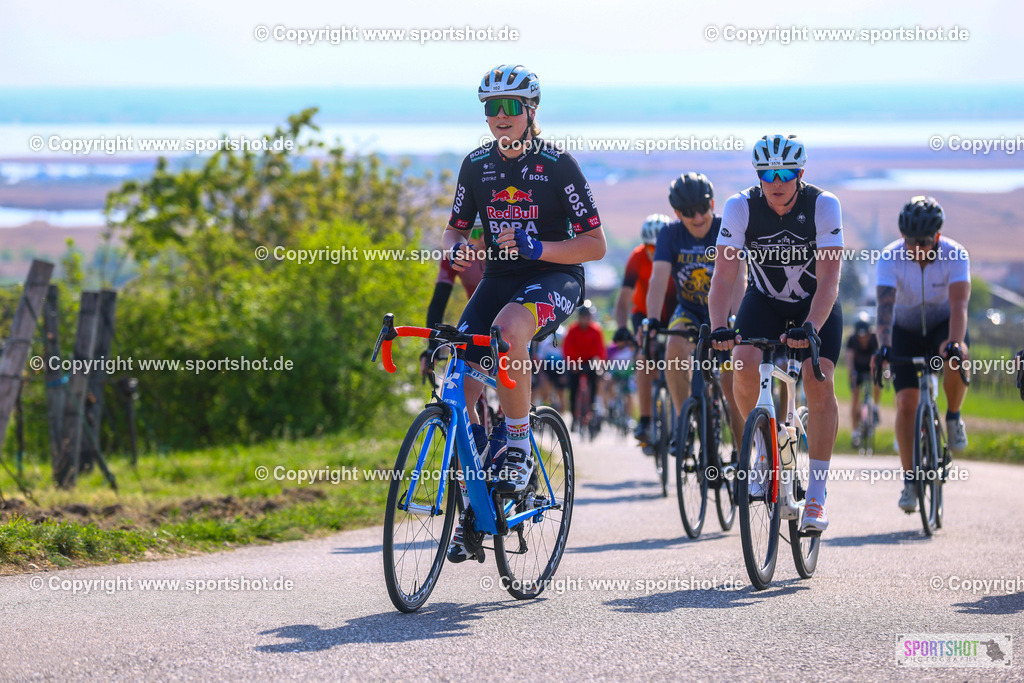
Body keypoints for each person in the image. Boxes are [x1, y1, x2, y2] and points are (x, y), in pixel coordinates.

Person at [443, 64, 607, 562]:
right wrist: (456, 250)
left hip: (554, 276)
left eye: (511, 107)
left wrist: (540, 245)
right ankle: (477, 502)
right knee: (458, 375)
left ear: (531, 112)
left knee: (509, 329)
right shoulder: (475, 165)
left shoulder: (558, 165)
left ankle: (517, 445)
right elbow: (455, 228)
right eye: (492, 108)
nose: (500, 116)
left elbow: (595, 246)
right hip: (498, 278)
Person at [707, 134, 844, 535]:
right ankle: (765, 452)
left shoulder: (823, 204)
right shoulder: (740, 207)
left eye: (786, 173)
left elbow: (830, 280)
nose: (777, 181)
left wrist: (812, 328)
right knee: (743, 362)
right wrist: (719, 326)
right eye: (768, 174)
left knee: (818, 379)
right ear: (759, 176)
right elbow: (723, 278)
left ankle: (816, 494)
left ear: (800, 174)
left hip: (813, 304)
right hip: (764, 300)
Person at [870, 196, 970, 513]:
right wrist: (884, 345)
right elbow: (884, 310)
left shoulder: (956, 254)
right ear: (903, 237)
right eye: (911, 242)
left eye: (924, 242)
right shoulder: (890, 257)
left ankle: (953, 416)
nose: (917, 248)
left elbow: (959, 306)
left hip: (943, 323)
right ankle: (911, 480)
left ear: (937, 237)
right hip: (905, 330)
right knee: (906, 402)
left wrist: (954, 342)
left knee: (955, 356)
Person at [646, 172, 746, 440]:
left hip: (723, 315)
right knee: (674, 348)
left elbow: (739, 279)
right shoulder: (669, 234)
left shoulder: (727, 229)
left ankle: (741, 456)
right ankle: (684, 420)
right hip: (689, 310)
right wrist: (653, 320)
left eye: (702, 209)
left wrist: (738, 319)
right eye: (689, 212)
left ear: (712, 204)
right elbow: (657, 279)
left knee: (730, 382)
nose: (698, 217)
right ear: (677, 213)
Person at [613, 214, 674, 444]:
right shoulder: (637, 257)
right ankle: (646, 420)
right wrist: (620, 327)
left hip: (673, 312)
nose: (654, 251)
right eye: (650, 246)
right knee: (643, 357)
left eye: (659, 246)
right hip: (643, 313)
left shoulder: (677, 254)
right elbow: (623, 299)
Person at [420, 221, 486, 382]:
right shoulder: (456, 255)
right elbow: (438, 303)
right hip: (480, 314)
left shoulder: (506, 251)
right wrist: (432, 347)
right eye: (474, 233)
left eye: (486, 231)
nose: (480, 239)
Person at [562, 302, 608, 430]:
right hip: (575, 362)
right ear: (579, 317)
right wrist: (572, 363)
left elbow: (600, 350)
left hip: (590, 361)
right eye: (583, 316)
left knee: (595, 379)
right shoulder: (572, 330)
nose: (585, 319)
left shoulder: (596, 330)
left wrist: (599, 364)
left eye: (587, 316)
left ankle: (592, 405)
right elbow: (567, 349)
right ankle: (574, 416)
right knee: (573, 387)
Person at [846, 316, 881, 447]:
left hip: (871, 368)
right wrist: (852, 373)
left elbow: (879, 357)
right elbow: (849, 358)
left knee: (878, 380)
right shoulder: (852, 339)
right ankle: (855, 432)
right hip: (858, 370)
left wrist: (878, 371)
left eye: (865, 336)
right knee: (855, 398)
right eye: (860, 337)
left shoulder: (874, 339)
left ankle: (876, 407)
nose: (863, 339)